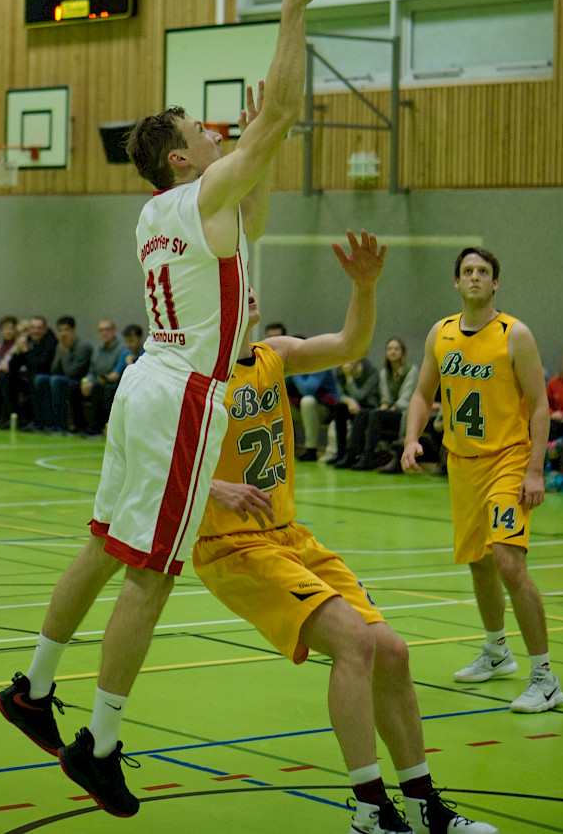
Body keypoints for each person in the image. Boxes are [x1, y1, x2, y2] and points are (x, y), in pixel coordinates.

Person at [0, 0, 342, 817]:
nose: (212, 130)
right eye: (198, 130)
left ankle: (33, 689)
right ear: (183, 158)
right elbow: (271, 126)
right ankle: (100, 744)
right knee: (149, 574)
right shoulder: (197, 197)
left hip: (143, 387)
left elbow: (256, 191)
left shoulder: (164, 210)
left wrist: (276, 131)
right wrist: (292, 7)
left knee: (104, 545)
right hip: (185, 390)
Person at [194, 254, 498, 834]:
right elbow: (141, 451)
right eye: (235, 288)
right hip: (231, 547)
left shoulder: (273, 356)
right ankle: (368, 807)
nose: (250, 293)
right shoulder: (193, 375)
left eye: (249, 285)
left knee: (394, 652)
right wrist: (213, 485)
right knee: (354, 644)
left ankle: (421, 800)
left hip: (289, 535)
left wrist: (365, 285)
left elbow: (351, 342)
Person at [402, 247, 563, 714]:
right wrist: (412, 438)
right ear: (456, 282)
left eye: (484, 272)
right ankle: (497, 652)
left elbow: (538, 405)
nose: (475, 277)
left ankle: (545, 677)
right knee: (478, 562)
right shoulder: (442, 333)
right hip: (462, 462)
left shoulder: (516, 334)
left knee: (509, 563)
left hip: (508, 460)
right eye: (467, 271)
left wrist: (535, 469)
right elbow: (421, 393)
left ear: (495, 284)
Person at [343, 338, 418, 472]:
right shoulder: (384, 372)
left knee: (376, 414)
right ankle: (351, 454)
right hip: (389, 410)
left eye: (396, 349)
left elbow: (407, 395)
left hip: (404, 412)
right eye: (389, 349)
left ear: (403, 352)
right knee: (363, 413)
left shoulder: (411, 370)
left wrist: (393, 407)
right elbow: (385, 396)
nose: (392, 352)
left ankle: (368, 457)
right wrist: (385, 404)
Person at [33, 316, 92, 433]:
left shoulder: (82, 346)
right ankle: (44, 422)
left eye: (66, 330)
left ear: (73, 330)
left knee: (55, 381)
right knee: (40, 379)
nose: (63, 334)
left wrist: (66, 352)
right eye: (60, 330)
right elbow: (54, 369)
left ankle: (61, 425)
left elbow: (73, 373)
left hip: (80, 382)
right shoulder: (60, 346)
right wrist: (61, 351)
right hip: (62, 379)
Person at [6, 316, 56, 430]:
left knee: (35, 379)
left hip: (45, 375)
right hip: (32, 374)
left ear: (45, 329)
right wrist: (18, 352)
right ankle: (11, 418)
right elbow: (12, 366)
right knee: (7, 377)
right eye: (33, 328)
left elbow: (40, 365)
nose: (36, 331)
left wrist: (26, 351)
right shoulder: (28, 340)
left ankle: (38, 421)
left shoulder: (50, 342)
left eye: (39, 328)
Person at [332, 357, 379, 466]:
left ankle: (352, 453)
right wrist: (348, 401)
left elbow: (360, 395)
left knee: (361, 413)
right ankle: (340, 452)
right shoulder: (340, 370)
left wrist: (349, 377)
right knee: (339, 409)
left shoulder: (370, 371)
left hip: (369, 404)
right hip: (352, 404)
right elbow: (339, 393)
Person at [79, 319, 123, 436]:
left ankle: (97, 428)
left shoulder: (122, 348)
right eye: (101, 330)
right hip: (99, 382)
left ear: (114, 331)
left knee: (101, 389)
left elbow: (119, 372)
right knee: (86, 387)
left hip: (117, 383)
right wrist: (86, 382)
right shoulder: (97, 349)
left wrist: (103, 379)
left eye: (107, 329)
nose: (104, 333)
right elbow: (91, 371)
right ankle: (83, 427)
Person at [290, 366, 341, 462]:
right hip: (302, 410)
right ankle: (285, 446)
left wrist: (293, 371)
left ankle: (311, 449)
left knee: (307, 401)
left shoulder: (320, 362)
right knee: (279, 402)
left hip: (326, 409)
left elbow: (307, 389)